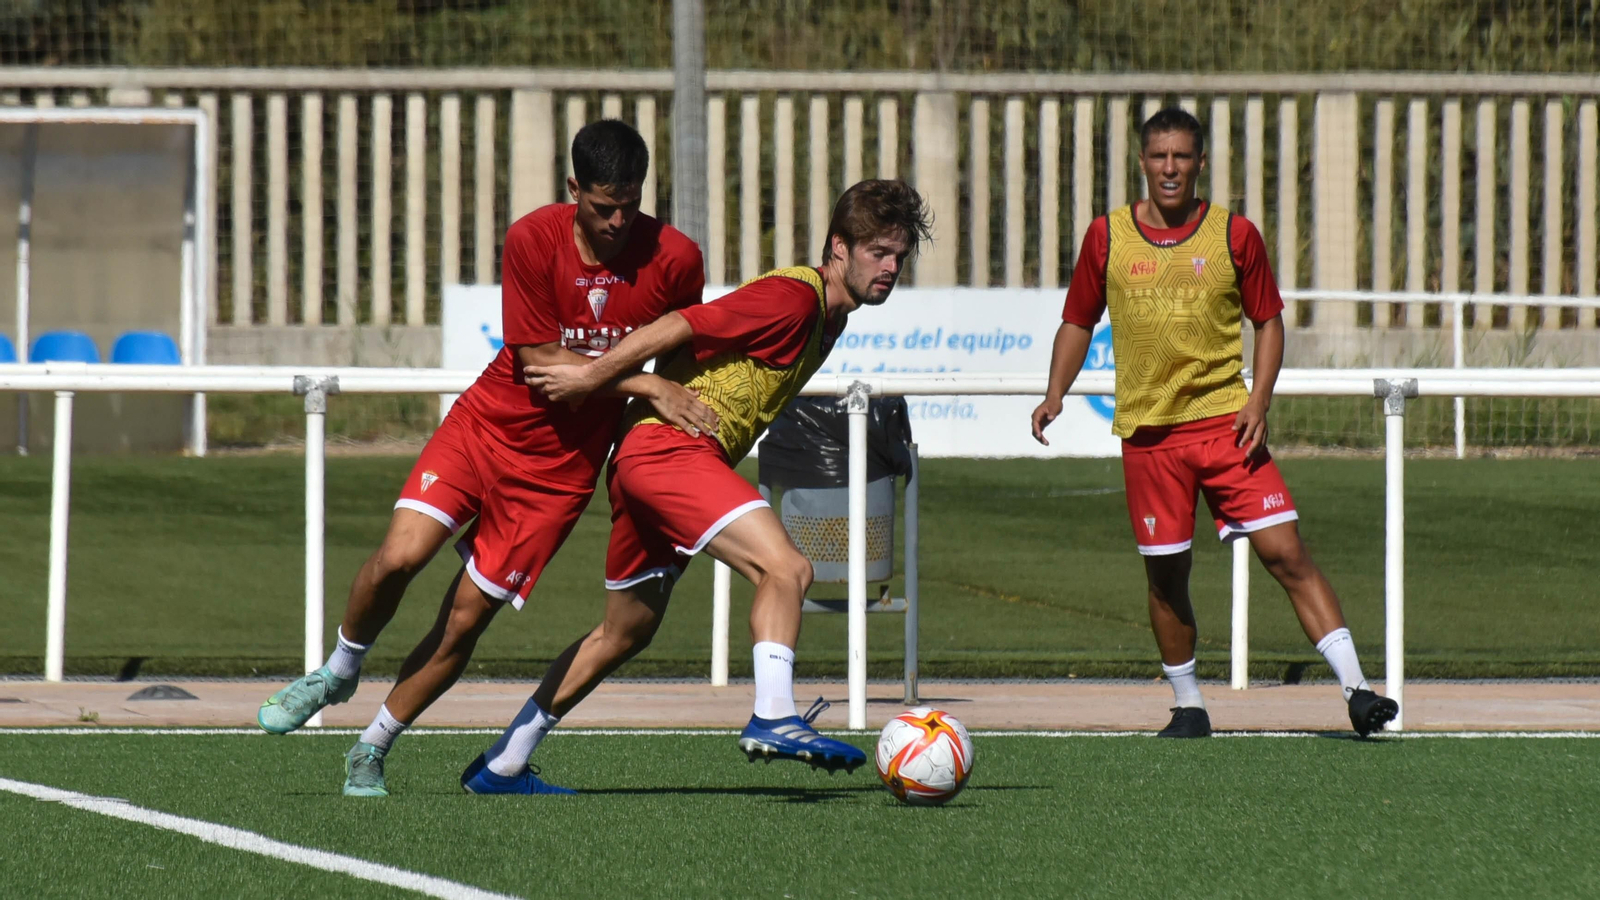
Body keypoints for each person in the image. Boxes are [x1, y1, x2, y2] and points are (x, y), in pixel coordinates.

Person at [256, 120, 715, 797]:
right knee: (398, 558)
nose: (618, 222)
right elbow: (539, 365)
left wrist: (658, 410)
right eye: (602, 207)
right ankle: (339, 670)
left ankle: (372, 747)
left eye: (631, 205)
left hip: (559, 475)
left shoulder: (675, 257)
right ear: (572, 191)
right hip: (487, 429)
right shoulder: (532, 239)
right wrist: (642, 381)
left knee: (467, 616)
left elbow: (684, 355)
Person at [454, 179, 933, 794]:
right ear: (838, 247)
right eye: (877, 252)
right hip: (666, 451)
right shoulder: (795, 298)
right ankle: (775, 713)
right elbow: (681, 323)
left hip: (649, 460)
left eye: (898, 256)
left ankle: (503, 763)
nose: (890, 267)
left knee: (624, 632)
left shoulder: (829, 319)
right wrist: (594, 377)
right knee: (786, 568)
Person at [1030, 108, 1399, 739]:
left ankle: (1359, 691)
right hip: (1149, 438)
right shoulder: (1106, 236)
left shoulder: (1235, 234)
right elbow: (1078, 319)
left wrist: (1258, 401)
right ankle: (1189, 704)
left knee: (1286, 554)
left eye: (1181, 156)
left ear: (1200, 163)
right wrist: (1054, 392)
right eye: (1158, 156)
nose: (1169, 168)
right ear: (1141, 162)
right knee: (1167, 577)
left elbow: (1269, 320)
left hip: (1228, 427)